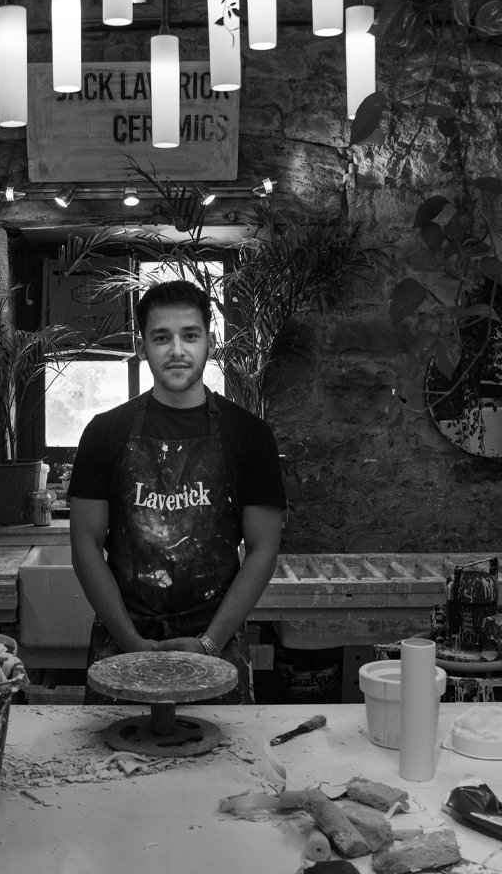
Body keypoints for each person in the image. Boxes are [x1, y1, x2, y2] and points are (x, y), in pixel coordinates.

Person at [68, 279, 285, 703]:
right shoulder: (104, 433)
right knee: (111, 763)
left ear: (209, 340)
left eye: (190, 335)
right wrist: (131, 643)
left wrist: (208, 644)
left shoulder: (250, 435)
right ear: (142, 344)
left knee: (225, 762)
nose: (177, 350)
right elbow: (85, 546)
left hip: (215, 640)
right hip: (122, 639)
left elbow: (263, 549)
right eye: (161, 337)